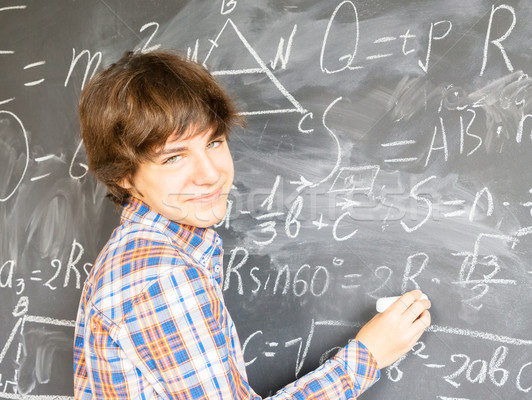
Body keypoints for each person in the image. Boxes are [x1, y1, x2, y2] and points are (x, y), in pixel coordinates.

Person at [73, 50, 431, 399]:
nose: (211, 174)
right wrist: (367, 357)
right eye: (174, 157)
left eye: (214, 142)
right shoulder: (160, 277)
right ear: (123, 175)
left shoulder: (138, 254)